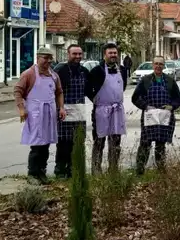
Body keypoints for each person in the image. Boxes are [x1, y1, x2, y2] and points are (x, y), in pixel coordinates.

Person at [14, 46, 66, 184]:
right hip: (36, 113)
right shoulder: (29, 74)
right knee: (37, 145)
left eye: (50, 59)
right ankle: (32, 174)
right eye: (45, 58)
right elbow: (18, 91)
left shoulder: (54, 75)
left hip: (49, 114)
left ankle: (42, 171)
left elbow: (59, 92)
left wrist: (61, 108)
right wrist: (21, 108)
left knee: (46, 144)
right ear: (37, 58)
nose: (48, 61)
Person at [132, 56, 180, 174]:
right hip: (149, 118)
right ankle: (140, 171)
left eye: (161, 64)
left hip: (164, 118)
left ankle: (161, 171)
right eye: (156, 64)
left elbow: (178, 98)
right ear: (152, 65)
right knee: (145, 144)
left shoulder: (170, 81)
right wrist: (145, 106)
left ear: (164, 66)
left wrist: (172, 106)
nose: (158, 66)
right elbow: (135, 98)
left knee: (161, 144)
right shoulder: (145, 80)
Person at [86, 43, 128, 174]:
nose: (113, 55)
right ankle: (96, 170)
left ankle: (113, 169)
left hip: (117, 110)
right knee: (99, 141)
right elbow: (88, 88)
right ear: (104, 54)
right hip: (101, 111)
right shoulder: (97, 70)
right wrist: (96, 100)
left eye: (115, 53)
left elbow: (123, 87)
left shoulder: (122, 70)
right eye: (110, 53)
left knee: (116, 141)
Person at [55, 44, 89, 178]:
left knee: (78, 141)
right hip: (64, 111)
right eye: (74, 54)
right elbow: (54, 91)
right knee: (63, 142)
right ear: (68, 54)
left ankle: (73, 169)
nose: (77, 56)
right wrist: (59, 108)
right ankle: (60, 170)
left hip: (79, 112)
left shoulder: (84, 71)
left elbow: (89, 90)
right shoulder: (60, 70)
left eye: (80, 54)